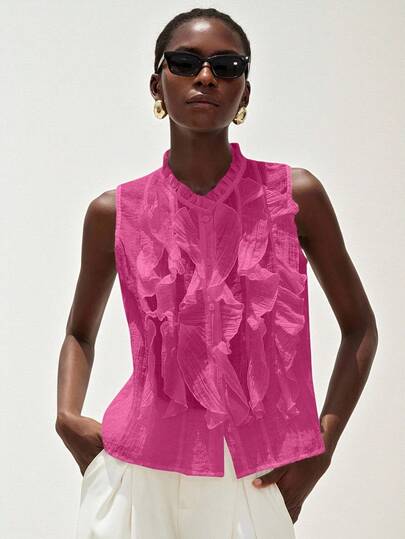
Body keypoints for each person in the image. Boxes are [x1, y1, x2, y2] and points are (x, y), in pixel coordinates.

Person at [55, 7, 378, 539]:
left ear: (244, 93)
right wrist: (67, 416)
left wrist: (323, 447)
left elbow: (360, 327)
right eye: (185, 62)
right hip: (134, 478)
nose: (205, 77)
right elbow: (79, 332)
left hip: (250, 479)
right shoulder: (114, 211)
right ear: (157, 85)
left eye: (227, 66)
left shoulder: (295, 197)